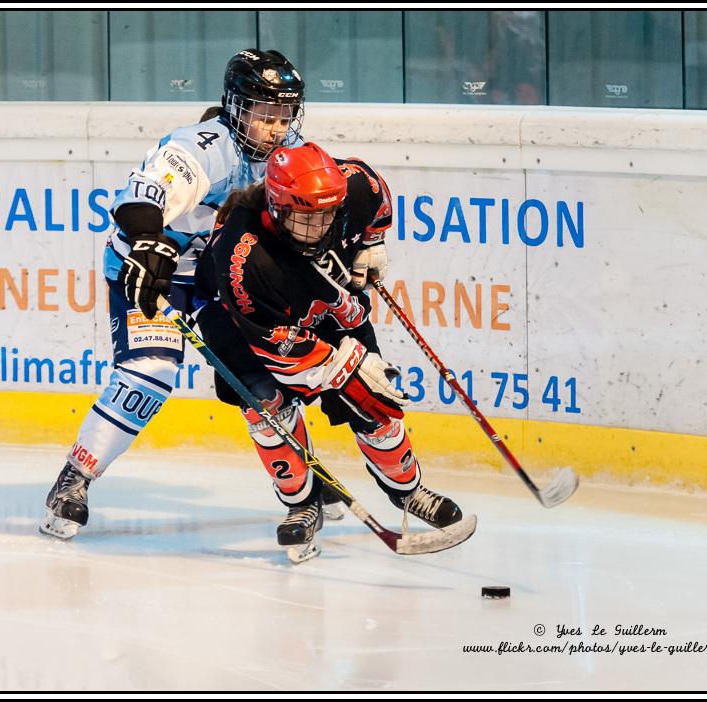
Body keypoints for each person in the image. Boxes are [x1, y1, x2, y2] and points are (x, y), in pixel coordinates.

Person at [40, 50, 305, 539]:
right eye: (264, 114)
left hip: (217, 281)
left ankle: (302, 490)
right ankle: (74, 480)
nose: (274, 127)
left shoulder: (292, 155)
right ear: (235, 107)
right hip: (149, 269)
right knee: (150, 371)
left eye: (284, 116)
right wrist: (149, 241)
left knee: (265, 383)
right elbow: (143, 198)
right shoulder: (201, 147)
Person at [194, 142, 464, 557]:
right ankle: (302, 505)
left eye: (326, 216)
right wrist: (344, 368)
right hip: (246, 326)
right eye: (305, 219)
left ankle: (407, 490)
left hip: (321, 302)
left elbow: (374, 190)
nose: (318, 228)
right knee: (268, 408)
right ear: (277, 207)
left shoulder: (351, 188)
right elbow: (277, 346)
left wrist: (372, 241)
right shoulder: (244, 258)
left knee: (373, 400)